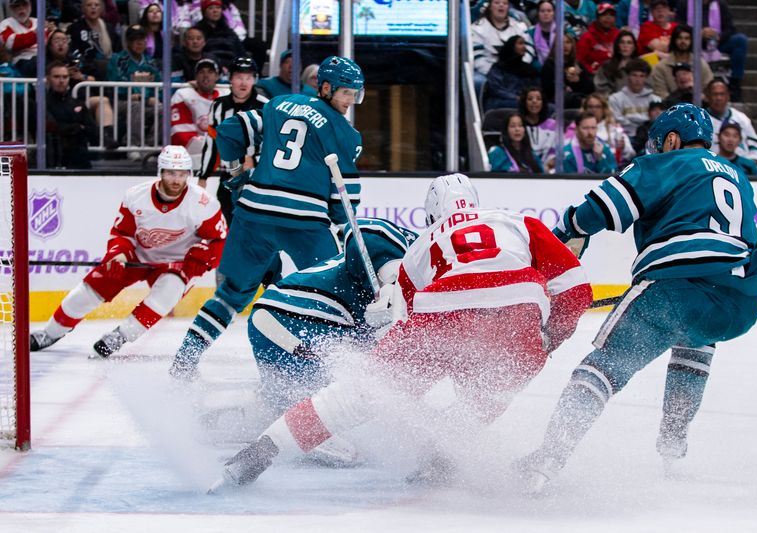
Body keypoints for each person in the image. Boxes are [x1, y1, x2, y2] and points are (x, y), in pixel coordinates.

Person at [210, 173, 593, 491]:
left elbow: (409, 323)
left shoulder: (420, 247)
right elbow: (576, 289)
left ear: (431, 215)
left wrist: (394, 388)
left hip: (443, 309)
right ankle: (442, 459)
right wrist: (548, 337)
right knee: (485, 397)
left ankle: (260, 452)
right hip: (520, 309)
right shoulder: (518, 221)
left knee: (359, 395)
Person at [517, 103, 757, 496]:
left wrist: (563, 229)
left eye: (657, 143)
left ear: (671, 139)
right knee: (695, 340)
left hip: (676, 287)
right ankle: (672, 446)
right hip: (739, 299)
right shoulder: (739, 175)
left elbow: (594, 212)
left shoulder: (663, 164)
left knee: (605, 365)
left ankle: (549, 456)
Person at [169, 56, 365, 380]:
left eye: (354, 94)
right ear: (327, 88)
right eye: (346, 93)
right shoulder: (346, 134)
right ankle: (336, 371)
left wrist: (235, 175)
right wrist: (338, 218)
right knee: (336, 291)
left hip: (254, 213)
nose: (349, 101)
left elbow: (230, 132)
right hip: (304, 222)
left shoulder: (280, 105)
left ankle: (186, 359)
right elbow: (343, 204)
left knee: (231, 294)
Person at [29, 145, 227, 358]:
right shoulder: (136, 196)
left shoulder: (203, 204)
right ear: (160, 172)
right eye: (171, 173)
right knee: (88, 290)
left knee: (168, 292)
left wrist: (203, 256)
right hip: (137, 257)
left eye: (181, 174)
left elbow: (219, 240)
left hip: (178, 263)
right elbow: (122, 233)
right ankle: (50, 333)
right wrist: (118, 254)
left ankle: (120, 336)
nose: (176, 180)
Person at [249, 218, 417, 424]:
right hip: (288, 320)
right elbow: (365, 230)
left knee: (285, 403)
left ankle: (255, 415)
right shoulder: (422, 246)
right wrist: (389, 278)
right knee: (344, 400)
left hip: (280, 319)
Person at [197, 55, 268, 223]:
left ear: (254, 79)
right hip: (229, 175)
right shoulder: (218, 106)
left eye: (248, 77)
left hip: (258, 177)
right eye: (239, 77)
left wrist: (255, 160)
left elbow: (273, 143)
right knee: (226, 223)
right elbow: (212, 142)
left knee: (255, 226)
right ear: (230, 79)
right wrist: (203, 176)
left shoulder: (265, 105)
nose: (244, 83)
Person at [107, 24, 161, 160]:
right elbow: (114, 81)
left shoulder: (151, 63)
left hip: (146, 102)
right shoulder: (117, 59)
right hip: (120, 102)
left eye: (142, 39)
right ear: (128, 42)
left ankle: (149, 146)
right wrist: (128, 94)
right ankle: (133, 146)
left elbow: (159, 85)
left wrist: (154, 97)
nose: (139, 43)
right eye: (134, 40)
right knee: (136, 106)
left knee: (162, 109)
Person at [677, 0, 747, 101]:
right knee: (682, 39)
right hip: (691, 42)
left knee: (740, 40)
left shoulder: (721, 4)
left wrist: (718, 35)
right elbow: (678, 26)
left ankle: (735, 84)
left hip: (716, 43)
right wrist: (697, 32)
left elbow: (730, 28)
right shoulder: (684, 4)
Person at [170, 58, 226, 168]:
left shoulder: (226, 96)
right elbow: (180, 134)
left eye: (210, 72)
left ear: (217, 76)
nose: (206, 75)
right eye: (201, 72)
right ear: (195, 77)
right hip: (190, 158)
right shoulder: (183, 96)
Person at [43, 60, 99, 169]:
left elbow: (92, 129)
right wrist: (78, 127)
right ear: (48, 79)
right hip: (53, 161)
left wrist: (76, 128)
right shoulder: (42, 103)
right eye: (57, 77)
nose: (61, 81)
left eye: (65, 77)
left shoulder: (77, 103)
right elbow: (54, 127)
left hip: (80, 161)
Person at [705, 79, 757, 169]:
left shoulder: (742, 118)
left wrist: (751, 164)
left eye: (722, 94)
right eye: (715, 94)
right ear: (707, 96)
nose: (718, 98)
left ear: (728, 96)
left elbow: (755, 145)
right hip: (712, 168)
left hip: (742, 168)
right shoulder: (700, 119)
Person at [471, 0, 533, 85]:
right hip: (492, 74)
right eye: (497, 3)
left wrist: (521, 66)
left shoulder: (519, 26)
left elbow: (529, 48)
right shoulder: (477, 28)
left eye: (505, 3)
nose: (501, 5)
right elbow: (477, 58)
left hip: (519, 72)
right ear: (489, 7)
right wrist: (495, 73)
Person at [648, 24, 713, 100]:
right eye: (679, 38)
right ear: (674, 40)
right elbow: (660, 95)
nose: (683, 41)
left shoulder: (701, 65)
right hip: (670, 109)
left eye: (687, 38)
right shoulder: (661, 67)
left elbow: (709, 91)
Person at [67, 0, 122, 80]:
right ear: (83, 9)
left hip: (109, 70)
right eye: (89, 5)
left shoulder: (109, 28)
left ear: (101, 9)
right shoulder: (75, 28)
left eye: (97, 5)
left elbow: (118, 51)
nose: (93, 7)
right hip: (85, 72)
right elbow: (73, 53)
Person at [577, 92, 635, 166]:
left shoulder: (615, 130)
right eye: (590, 106)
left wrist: (623, 148)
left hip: (610, 169)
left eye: (598, 107)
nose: (594, 110)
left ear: (604, 109)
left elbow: (631, 154)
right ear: (585, 109)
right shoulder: (576, 128)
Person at [484, 36, 540, 112]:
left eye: (524, 44)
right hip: (501, 101)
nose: (524, 47)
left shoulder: (529, 70)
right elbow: (495, 89)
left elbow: (535, 87)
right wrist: (515, 97)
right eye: (520, 43)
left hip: (525, 101)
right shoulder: (499, 68)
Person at [608, 58, 661, 137]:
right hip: (626, 137)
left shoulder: (656, 100)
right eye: (634, 75)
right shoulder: (615, 99)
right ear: (628, 76)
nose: (638, 79)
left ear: (646, 78)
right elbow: (617, 121)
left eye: (641, 76)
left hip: (650, 137)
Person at [541, 32, 595, 109]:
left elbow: (590, 88)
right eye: (561, 43)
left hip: (580, 98)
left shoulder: (577, 65)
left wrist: (578, 81)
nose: (565, 46)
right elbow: (548, 89)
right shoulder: (550, 65)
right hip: (558, 101)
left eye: (568, 42)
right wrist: (566, 82)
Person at [0, 0, 49, 77]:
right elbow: (11, 43)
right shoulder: (6, 24)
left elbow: (46, 40)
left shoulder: (38, 22)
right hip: (20, 62)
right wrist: (35, 34)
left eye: (24, 5)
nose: (21, 9)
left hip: (42, 59)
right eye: (17, 6)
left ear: (30, 6)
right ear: (11, 8)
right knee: (37, 63)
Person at [194, 0, 245, 70]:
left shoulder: (229, 32)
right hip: (209, 68)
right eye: (211, 8)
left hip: (231, 68)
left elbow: (241, 52)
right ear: (204, 12)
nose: (215, 11)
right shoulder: (198, 31)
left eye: (218, 8)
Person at [518, 86, 557, 165]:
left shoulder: (553, 125)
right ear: (524, 102)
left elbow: (558, 150)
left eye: (538, 99)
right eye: (530, 99)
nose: (534, 101)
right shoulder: (517, 125)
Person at [576, 3, 619, 75]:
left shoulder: (619, 35)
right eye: (604, 14)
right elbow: (580, 61)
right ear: (597, 18)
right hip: (593, 76)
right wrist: (590, 70)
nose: (608, 17)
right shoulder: (587, 37)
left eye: (611, 15)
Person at [593, 30, 639, 96]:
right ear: (617, 46)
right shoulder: (607, 66)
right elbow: (601, 89)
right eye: (622, 42)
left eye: (629, 43)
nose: (625, 46)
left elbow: (648, 87)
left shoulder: (641, 66)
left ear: (634, 47)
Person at [526, 0, 555, 66]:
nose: (546, 13)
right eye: (542, 11)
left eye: (549, 11)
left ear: (554, 13)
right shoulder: (529, 33)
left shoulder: (562, 32)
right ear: (538, 13)